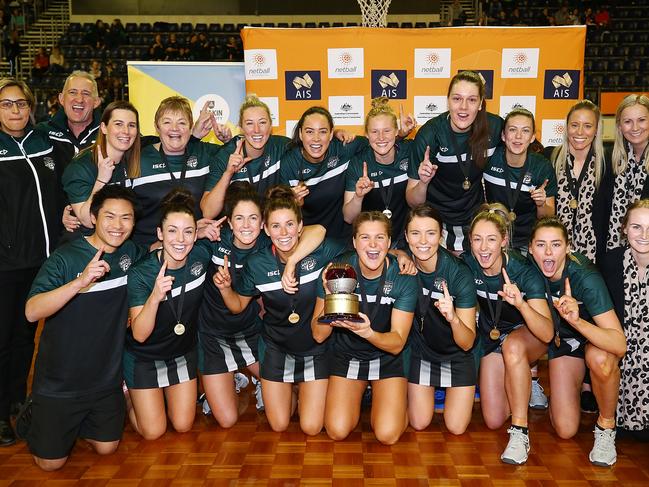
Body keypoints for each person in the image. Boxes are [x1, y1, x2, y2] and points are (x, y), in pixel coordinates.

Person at [23, 185, 146, 470]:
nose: (118, 225)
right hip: (60, 382)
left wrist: (191, 233)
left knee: (107, 448)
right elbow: (31, 312)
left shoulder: (130, 252)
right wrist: (79, 283)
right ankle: (36, 413)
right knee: (50, 465)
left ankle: (86, 418)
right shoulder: (65, 257)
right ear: (93, 216)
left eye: (126, 218)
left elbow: (155, 252)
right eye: (110, 216)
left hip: (104, 381)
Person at [213, 186, 346, 435]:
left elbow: (358, 250)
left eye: (289, 225)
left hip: (315, 348)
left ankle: (301, 388)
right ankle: (290, 389)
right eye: (275, 226)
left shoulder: (322, 250)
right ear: (265, 229)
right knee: (279, 424)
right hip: (276, 347)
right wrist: (225, 289)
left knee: (311, 427)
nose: (283, 233)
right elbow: (238, 306)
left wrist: (395, 253)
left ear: (300, 226)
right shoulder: (257, 263)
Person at [311, 211, 417, 444]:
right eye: (365, 238)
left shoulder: (403, 277)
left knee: (387, 435)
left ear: (389, 243)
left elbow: (397, 343)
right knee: (337, 430)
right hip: (348, 355)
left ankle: (396, 405)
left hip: (386, 356)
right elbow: (318, 335)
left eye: (380, 238)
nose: (372, 245)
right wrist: (330, 300)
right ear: (354, 242)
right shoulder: (337, 271)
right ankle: (365, 395)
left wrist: (368, 333)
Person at [529, 217, 625, 465]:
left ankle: (606, 426)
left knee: (601, 358)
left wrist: (577, 321)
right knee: (565, 428)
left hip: (593, 340)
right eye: (541, 245)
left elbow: (618, 344)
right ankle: (564, 393)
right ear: (530, 249)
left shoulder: (585, 277)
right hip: (565, 345)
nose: (548, 252)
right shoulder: (527, 268)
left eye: (556, 244)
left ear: (568, 247)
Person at [462, 203, 553, 464]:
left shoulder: (524, 271)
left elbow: (547, 333)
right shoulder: (468, 264)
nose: (483, 247)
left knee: (513, 347)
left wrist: (521, 304)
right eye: (477, 239)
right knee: (492, 419)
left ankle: (520, 431)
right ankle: (521, 380)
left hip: (529, 334)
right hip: (494, 337)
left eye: (491, 239)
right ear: (470, 241)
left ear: (503, 240)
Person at [0, 78, 60, 446]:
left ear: (31, 106)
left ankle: (19, 399)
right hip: (5, 265)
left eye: (21, 103)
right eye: (7, 104)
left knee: (26, 339)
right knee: (3, 340)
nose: (15, 110)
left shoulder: (43, 142)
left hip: (41, 261)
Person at [125, 189, 211, 440]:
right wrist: (154, 297)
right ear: (160, 234)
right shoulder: (141, 273)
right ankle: (129, 395)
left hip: (181, 353)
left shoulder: (201, 256)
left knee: (183, 425)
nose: (180, 239)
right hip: (144, 356)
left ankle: (156, 398)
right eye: (172, 231)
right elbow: (139, 335)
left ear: (196, 235)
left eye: (188, 231)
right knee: (153, 432)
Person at [406, 70, 503, 253]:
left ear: (481, 103)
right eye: (457, 99)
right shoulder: (430, 135)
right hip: (437, 223)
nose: (463, 107)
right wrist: (423, 183)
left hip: (476, 220)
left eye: (472, 100)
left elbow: (522, 143)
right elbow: (412, 201)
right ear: (448, 100)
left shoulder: (495, 126)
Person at [404, 204, 477, 434]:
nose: (423, 241)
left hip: (457, 355)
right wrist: (397, 254)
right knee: (419, 422)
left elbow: (467, 342)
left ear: (442, 236)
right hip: (422, 353)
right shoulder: (402, 266)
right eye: (415, 233)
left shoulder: (459, 273)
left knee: (456, 428)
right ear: (406, 236)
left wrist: (453, 318)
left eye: (431, 233)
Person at [131, 96, 225, 245]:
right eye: (167, 122)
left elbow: (241, 153)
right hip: (148, 250)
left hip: (195, 246)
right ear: (157, 127)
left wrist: (228, 141)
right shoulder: (137, 159)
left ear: (191, 127)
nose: (174, 128)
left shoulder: (205, 154)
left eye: (182, 122)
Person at [600, 200, 649, 442]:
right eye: (637, 227)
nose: (644, 235)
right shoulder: (610, 263)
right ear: (624, 229)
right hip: (622, 348)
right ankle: (614, 418)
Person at [279, 106, 368, 240]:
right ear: (301, 134)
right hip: (307, 239)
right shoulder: (289, 162)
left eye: (323, 132)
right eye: (309, 132)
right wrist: (294, 203)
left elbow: (379, 143)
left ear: (331, 134)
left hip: (344, 240)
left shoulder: (344, 147)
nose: (316, 139)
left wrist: (400, 134)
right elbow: (283, 212)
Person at [547, 100, 614, 264]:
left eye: (588, 126)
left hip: (594, 256)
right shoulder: (549, 157)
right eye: (575, 125)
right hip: (552, 253)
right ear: (567, 126)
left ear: (597, 130)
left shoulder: (608, 163)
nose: (580, 132)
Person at [202, 95, 290, 219]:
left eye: (262, 122)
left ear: (271, 126)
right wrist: (228, 173)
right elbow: (208, 212)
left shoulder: (282, 146)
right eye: (249, 124)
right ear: (241, 128)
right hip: (238, 231)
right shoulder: (225, 156)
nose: (256, 130)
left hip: (271, 227)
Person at [343, 97, 414, 248]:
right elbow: (348, 218)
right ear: (367, 135)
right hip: (373, 244)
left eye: (387, 131)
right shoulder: (358, 163)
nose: (381, 138)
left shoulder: (410, 151)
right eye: (374, 132)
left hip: (407, 241)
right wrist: (358, 196)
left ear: (396, 131)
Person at [484, 107, 557, 251]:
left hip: (527, 240)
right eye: (512, 130)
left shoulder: (541, 166)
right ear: (503, 136)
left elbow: (548, 217)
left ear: (532, 137)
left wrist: (541, 204)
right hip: (493, 236)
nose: (518, 136)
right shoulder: (489, 158)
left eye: (525, 131)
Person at [62, 101, 141, 231]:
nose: (126, 131)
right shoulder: (81, 167)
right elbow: (87, 220)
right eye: (118, 124)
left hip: (121, 242)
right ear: (104, 128)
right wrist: (101, 180)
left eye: (131, 125)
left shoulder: (134, 156)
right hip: (87, 246)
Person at [608, 94, 649, 251]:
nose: (635, 128)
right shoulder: (610, 160)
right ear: (619, 126)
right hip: (616, 253)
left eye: (642, 120)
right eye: (627, 122)